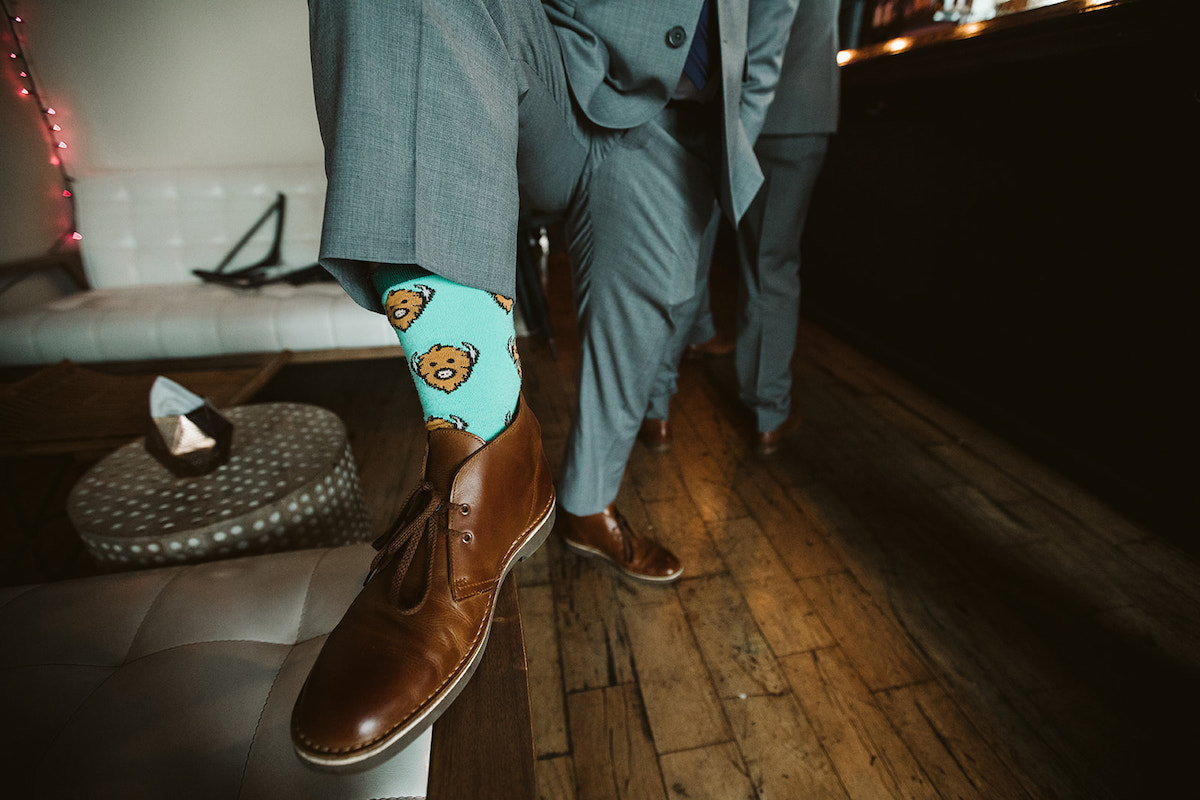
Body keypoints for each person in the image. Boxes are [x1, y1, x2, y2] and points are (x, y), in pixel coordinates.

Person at [291, 0, 800, 768]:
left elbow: (767, 31)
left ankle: (584, 508)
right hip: (554, 65)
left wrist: (732, 137)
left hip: (678, 127)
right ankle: (480, 437)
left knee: (645, 315)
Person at [641, 0, 842, 456]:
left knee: (687, 254)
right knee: (772, 266)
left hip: (721, 107)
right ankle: (769, 413)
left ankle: (655, 408)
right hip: (799, 105)